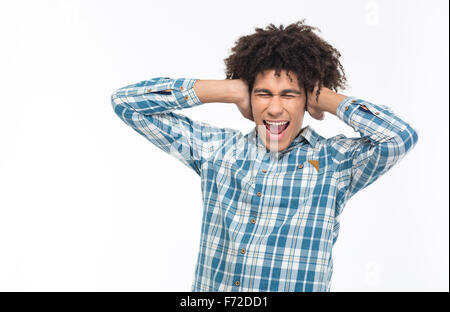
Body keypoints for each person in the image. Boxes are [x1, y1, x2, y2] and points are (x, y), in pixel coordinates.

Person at [110, 20, 418, 292]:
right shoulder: (217, 150)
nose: (274, 108)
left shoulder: (336, 162)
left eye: (289, 94)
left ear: (306, 101)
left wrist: (324, 96)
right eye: (263, 93)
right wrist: (227, 90)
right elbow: (126, 103)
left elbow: (399, 137)